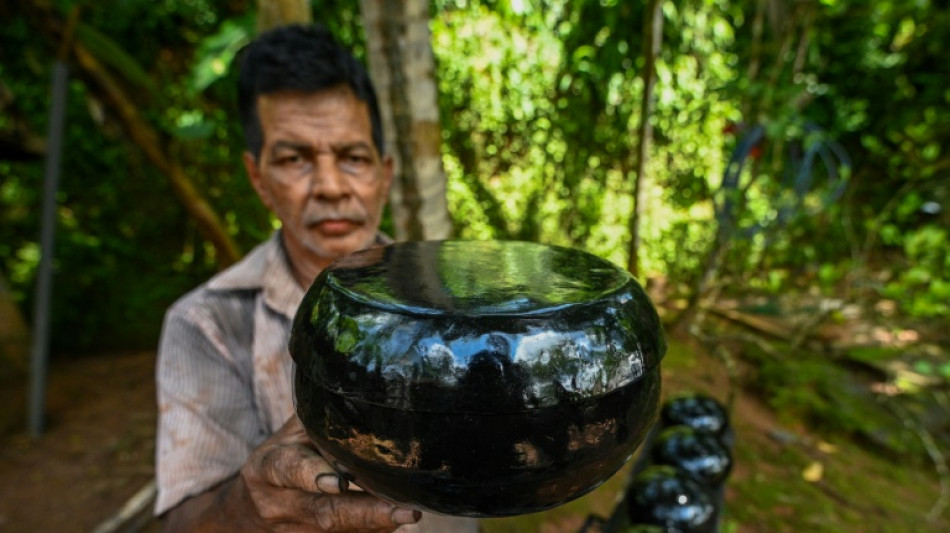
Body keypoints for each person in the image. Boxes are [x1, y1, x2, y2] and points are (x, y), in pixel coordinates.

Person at [154, 24, 479, 532]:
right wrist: (254, 499)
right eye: (294, 159)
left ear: (383, 174)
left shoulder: (450, 291)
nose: (329, 187)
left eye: (352, 158)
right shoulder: (209, 323)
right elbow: (182, 524)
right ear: (259, 178)